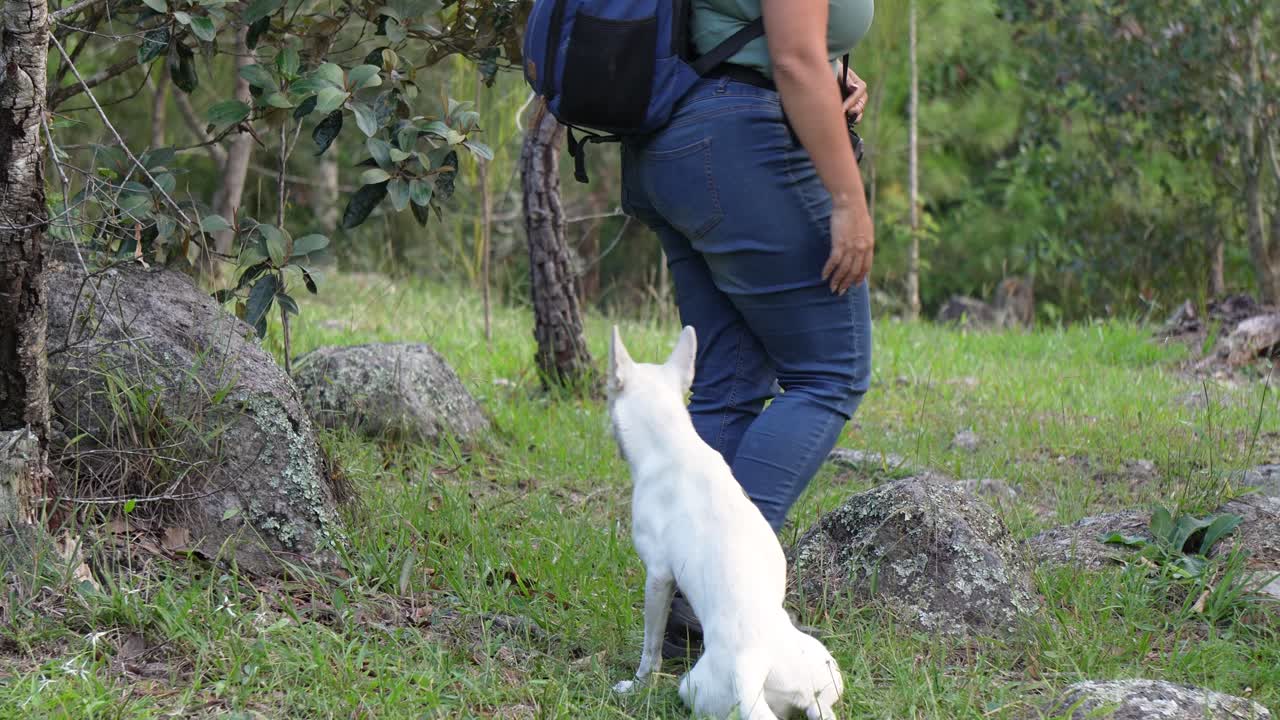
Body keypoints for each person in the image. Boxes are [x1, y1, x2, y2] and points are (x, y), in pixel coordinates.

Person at [618, 0, 876, 659]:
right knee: (829, 373)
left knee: (727, 386)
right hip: (737, 146)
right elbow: (790, 56)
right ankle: (720, 592)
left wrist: (832, 72)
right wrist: (847, 197)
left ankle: (684, 620)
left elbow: (780, 47)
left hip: (675, 142)